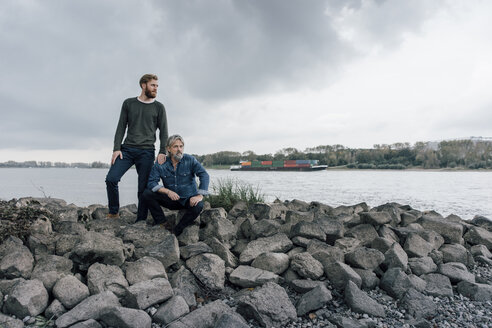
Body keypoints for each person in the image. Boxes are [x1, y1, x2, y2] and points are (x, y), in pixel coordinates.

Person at [105, 74, 168, 221]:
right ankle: (113, 212)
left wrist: (162, 151)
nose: (156, 88)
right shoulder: (129, 104)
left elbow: (164, 132)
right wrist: (116, 149)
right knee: (111, 179)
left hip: (147, 152)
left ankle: (141, 220)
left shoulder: (159, 107)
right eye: (153, 85)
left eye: (157, 86)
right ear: (143, 85)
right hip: (126, 150)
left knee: (143, 188)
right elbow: (121, 127)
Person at [142, 135, 209, 236]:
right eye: (175, 147)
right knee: (147, 193)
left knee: (199, 205)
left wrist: (199, 196)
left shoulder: (190, 160)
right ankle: (163, 223)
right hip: (171, 200)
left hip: (188, 200)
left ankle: (177, 230)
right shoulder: (161, 164)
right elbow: (152, 182)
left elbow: (204, 175)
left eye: (181, 146)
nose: (179, 150)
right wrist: (167, 192)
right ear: (168, 149)